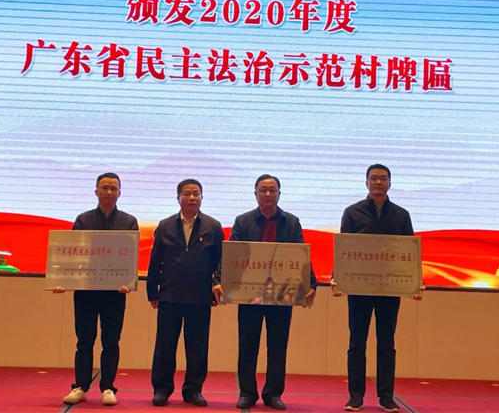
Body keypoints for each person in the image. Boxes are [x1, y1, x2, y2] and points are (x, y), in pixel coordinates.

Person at [213, 174, 317, 411]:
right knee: (247, 345)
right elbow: (231, 255)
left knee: (278, 347)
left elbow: (301, 255)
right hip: (249, 293)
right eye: (263, 190)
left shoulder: (291, 222)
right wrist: (219, 280)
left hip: (282, 295)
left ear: (279, 194)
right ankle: (247, 393)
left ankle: (273, 394)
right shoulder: (243, 221)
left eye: (272, 190)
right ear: (255, 194)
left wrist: (311, 284)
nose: (268, 194)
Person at [332, 164, 419, 412]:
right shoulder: (352, 212)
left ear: (390, 183)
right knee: (356, 342)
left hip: (389, 288)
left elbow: (410, 252)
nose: (378, 182)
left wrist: (414, 282)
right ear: (366, 182)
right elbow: (344, 249)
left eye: (383, 178)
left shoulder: (401, 215)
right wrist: (338, 278)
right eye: (374, 178)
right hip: (359, 287)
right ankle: (355, 396)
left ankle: (386, 396)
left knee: (386, 343)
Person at [54, 172, 139, 407]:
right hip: (86, 292)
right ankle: (80, 387)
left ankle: (108, 388)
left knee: (111, 342)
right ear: (96, 191)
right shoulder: (83, 220)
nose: (109, 192)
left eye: (113, 188)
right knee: (84, 341)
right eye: (104, 188)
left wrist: (129, 281)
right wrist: (62, 280)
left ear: (120, 193)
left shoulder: (128, 222)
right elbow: (70, 255)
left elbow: (131, 258)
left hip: (115, 292)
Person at [147, 179, 224, 408]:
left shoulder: (213, 226)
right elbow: (155, 261)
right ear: (178, 198)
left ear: (202, 197)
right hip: (170, 295)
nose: (192, 197)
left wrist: (217, 285)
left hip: (200, 296)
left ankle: (193, 390)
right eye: (187, 193)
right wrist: (152, 291)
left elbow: (220, 261)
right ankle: (161, 389)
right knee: (165, 346)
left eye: (196, 194)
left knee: (198, 347)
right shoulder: (165, 226)